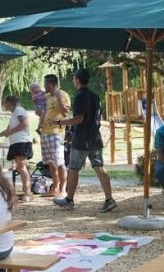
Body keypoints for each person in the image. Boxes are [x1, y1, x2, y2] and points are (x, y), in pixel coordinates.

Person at [52, 68, 117, 213]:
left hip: (81, 139)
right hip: (95, 138)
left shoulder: (80, 96)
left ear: (78, 79)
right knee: (99, 167)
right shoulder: (95, 96)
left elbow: (78, 119)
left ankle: (69, 200)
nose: (73, 80)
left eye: (74, 78)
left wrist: (59, 123)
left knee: (73, 169)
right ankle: (109, 199)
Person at [0, 95, 32, 203]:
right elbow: (7, 130)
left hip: (21, 142)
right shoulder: (14, 114)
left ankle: (27, 193)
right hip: (16, 142)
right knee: (21, 167)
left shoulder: (19, 110)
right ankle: (26, 191)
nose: (5, 106)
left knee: (22, 168)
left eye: (6, 103)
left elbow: (24, 124)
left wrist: (10, 132)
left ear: (10, 102)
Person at [39, 74, 70, 198]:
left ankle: (63, 190)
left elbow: (66, 113)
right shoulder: (47, 96)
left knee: (59, 162)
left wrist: (59, 98)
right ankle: (55, 188)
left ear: (51, 84)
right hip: (45, 132)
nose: (44, 86)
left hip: (56, 132)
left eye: (45, 84)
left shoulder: (63, 95)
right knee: (51, 162)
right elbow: (42, 110)